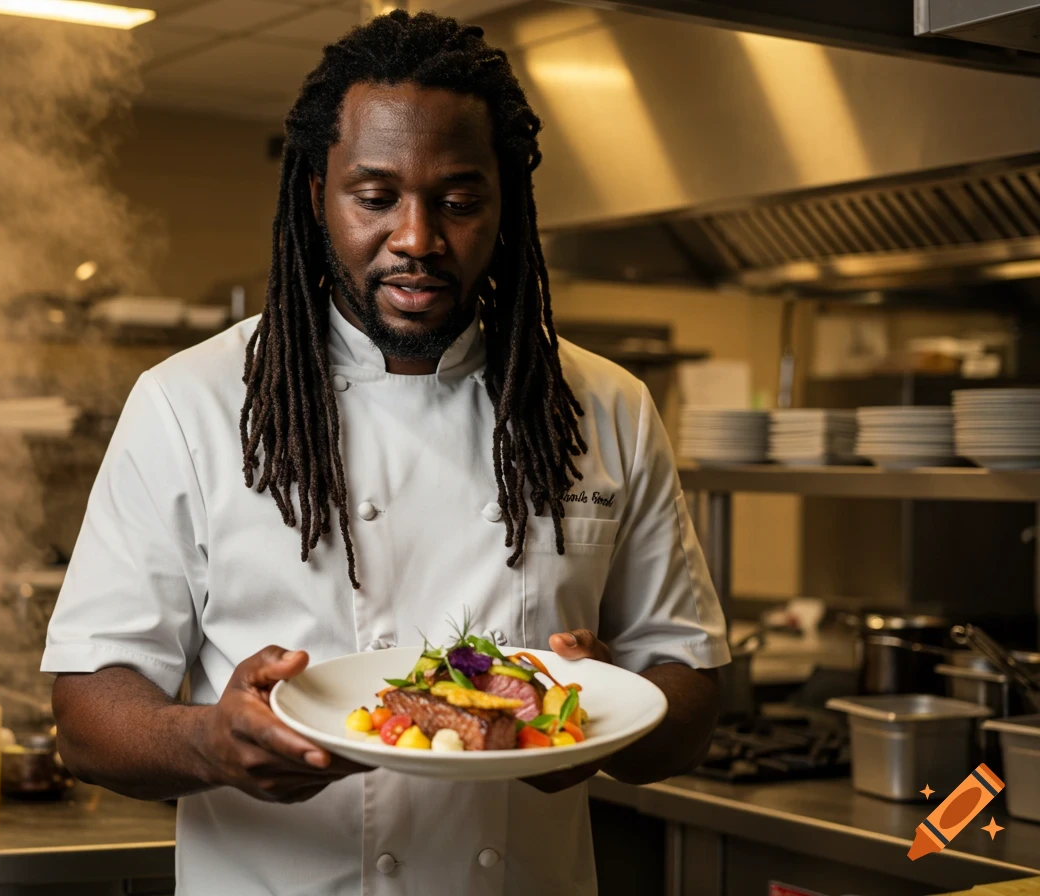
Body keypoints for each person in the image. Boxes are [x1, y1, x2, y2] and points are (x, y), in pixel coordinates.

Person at [43, 10, 730, 895]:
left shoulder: (605, 407)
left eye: (458, 199)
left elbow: (692, 693)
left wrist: (608, 721)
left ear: (506, 203)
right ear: (315, 194)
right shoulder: (190, 403)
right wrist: (207, 741)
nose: (417, 238)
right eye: (375, 197)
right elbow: (86, 713)